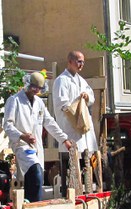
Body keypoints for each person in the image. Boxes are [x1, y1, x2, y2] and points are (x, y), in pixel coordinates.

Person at [3, 72, 72, 202]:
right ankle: (35, 207)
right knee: (35, 173)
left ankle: (29, 205)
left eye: (39, 89)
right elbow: (7, 125)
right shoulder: (15, 100)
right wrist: (22, 136)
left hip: (36, 147)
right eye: (34, 87)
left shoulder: (39, 103)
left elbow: (49, 122)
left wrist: (64, 139)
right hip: (22, 145)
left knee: (34, 178)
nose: (35, 91)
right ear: (27, 84)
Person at [53, 51, 98, 193]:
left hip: (82, 126)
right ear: (70, 61)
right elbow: (62, 104)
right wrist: (75, 114)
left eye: (83, 62)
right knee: (71, 161)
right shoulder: (61, 80)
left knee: (87, 157)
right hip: (70, 126)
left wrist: (86, 97)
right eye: (79, 61)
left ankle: (89, 186)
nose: (81, 64)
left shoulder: (81, 80)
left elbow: (91, 97)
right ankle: (71, 190)